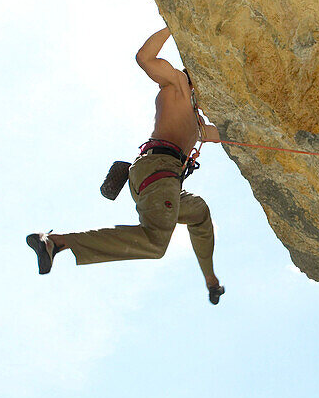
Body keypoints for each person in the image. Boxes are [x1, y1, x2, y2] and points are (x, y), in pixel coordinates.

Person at [26, 27, 225, 304]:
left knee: (199, 211)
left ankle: (210, 278)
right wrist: (175, 25)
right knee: (156, 244)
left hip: (158, 179)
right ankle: (57, 241)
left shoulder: (196, 120)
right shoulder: (179, 83)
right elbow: (145, 58)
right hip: (159, 170)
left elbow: (223, 135)